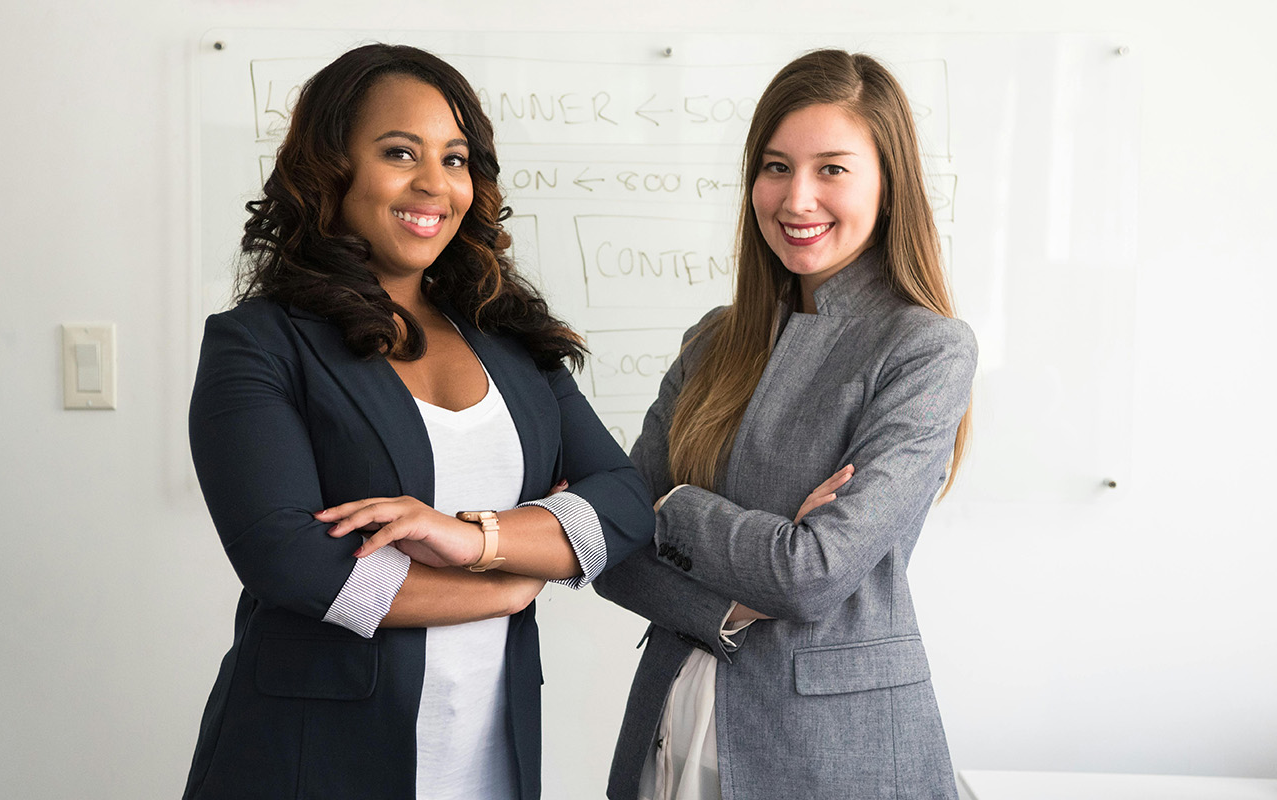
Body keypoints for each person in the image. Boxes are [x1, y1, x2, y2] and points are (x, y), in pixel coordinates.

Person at [181, 44, 653, 800]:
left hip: (488, 763)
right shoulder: (260, 344)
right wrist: (504, 586)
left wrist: (476, 540)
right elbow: (292, 560)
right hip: (312, 763)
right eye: (400, 152)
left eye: (456, 158)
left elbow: (625, 500)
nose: (435, 183)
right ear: (332, 168)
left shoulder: (510, 341)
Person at [594, 49, 976, 800]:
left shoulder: (926, 347)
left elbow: (812, 574)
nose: (797, 198)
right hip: (670, 725)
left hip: (832, 753)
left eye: (832, 168)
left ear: (887, 183)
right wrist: (729, 605)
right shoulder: (713, 338)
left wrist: (672, 509)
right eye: (775, 167)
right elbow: (610, 544)